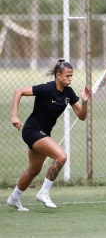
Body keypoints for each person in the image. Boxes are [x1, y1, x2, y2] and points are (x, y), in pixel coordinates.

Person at [7, 58, 92, 211]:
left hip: (43, 133)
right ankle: (44, 193)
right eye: (67, 75)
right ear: (58, 75)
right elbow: (18, 91)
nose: (70, 78)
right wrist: (14, 115)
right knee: (61, 156)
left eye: (71, 75)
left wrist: (85, 102)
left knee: (34, 170)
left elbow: (82, 116)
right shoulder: (46, 89)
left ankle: (14, 198)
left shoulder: (69, 93)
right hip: (32, 130)